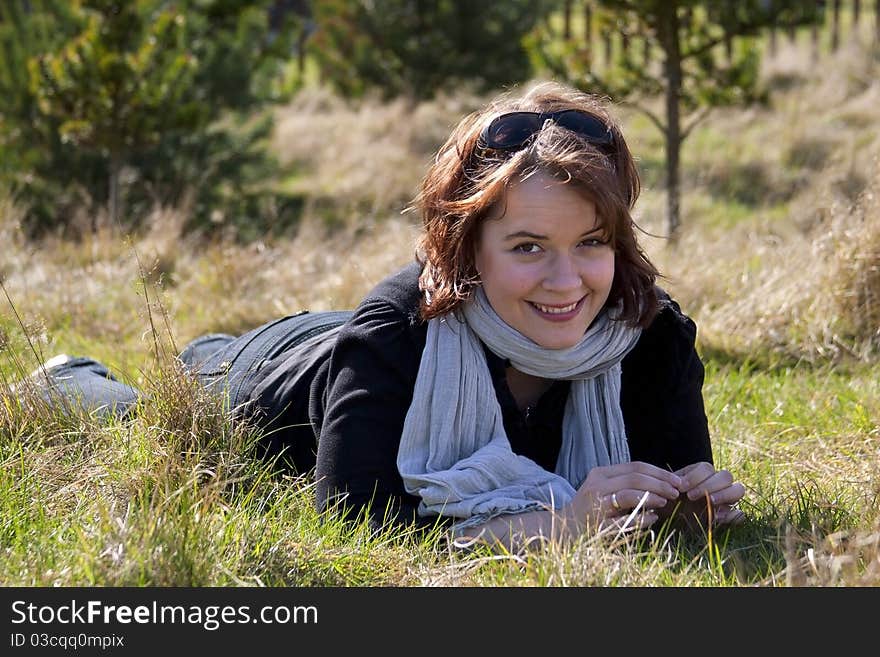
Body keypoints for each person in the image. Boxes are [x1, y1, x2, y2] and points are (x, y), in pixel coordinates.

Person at [23, 81, 745, 551]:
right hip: (276, 373)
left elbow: (675, 471)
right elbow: (354, 524)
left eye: (591, 242)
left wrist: (687, 503)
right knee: (141, 408)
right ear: (467, 247)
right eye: (528, 246)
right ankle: (67, 377)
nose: (567, 280)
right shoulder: (397, 329)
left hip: (352, 342)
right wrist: (561, 524)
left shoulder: (644, 330)